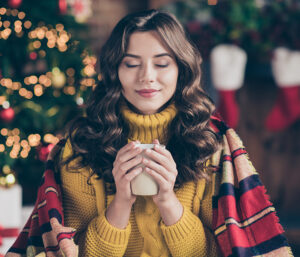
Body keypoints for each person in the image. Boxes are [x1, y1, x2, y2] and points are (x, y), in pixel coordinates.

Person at [6, 9, 292, 257]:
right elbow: (72, 252)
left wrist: (167, 199)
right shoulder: (81, 146)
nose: (147, 77)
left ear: (181, 68)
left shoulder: (211, 144)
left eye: (162, 63)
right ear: (114, 70)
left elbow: (219, 251)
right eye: (131, 64)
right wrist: (121, 201)